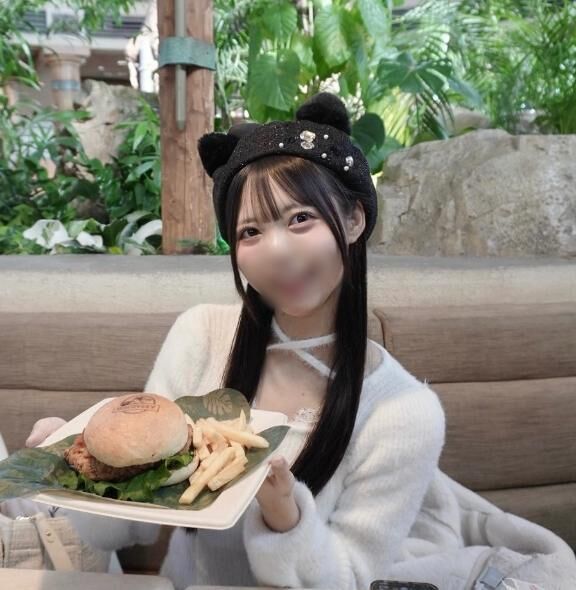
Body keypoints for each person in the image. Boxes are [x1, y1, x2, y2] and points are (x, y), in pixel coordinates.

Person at [24, 93, 576, 589]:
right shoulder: (200, 334)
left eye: (301, 218)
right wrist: (74, 468)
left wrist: (285, 516)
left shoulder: (405, 413)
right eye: (251, 231)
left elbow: (353, 576)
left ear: (354, 219)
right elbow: (131, 518)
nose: (278, 251)